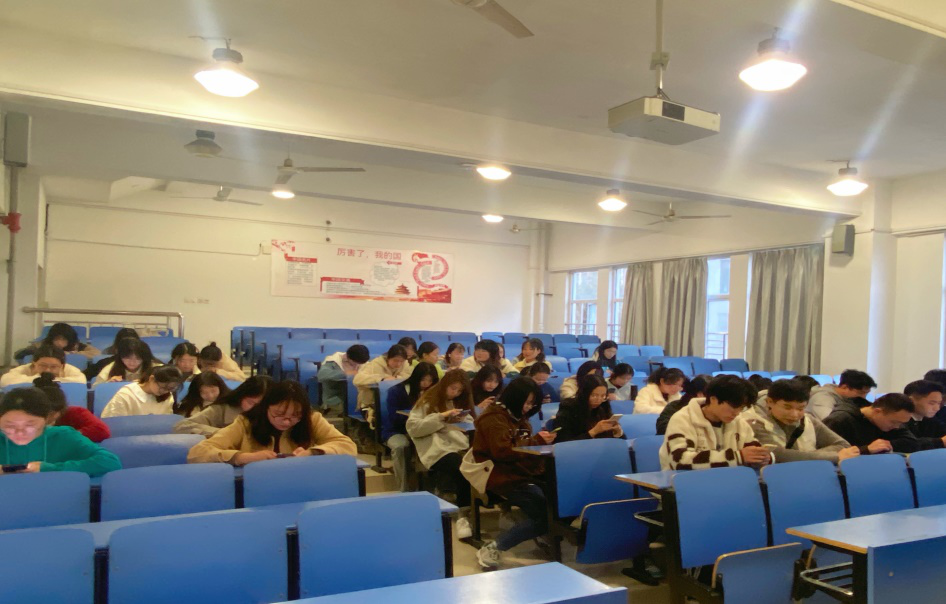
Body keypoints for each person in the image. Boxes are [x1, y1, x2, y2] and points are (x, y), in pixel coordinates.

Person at [472, 377, 556, 570]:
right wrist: (537, 441)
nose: (528, 407)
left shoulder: (519, 417)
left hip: (522, 472)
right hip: (500, 475)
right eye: (526, 402)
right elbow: (503, 451)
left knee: (560, 501)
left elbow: (525, 448)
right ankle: (495, 547)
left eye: (532, 404)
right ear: (515, 398)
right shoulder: (494, 418)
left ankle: (543, 533)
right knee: (545, 514)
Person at [187, 380, 356, 464]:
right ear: (266, 407)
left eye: (295, 415)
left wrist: (314, 452)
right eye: (279, 414)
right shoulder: (245, 423)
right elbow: (197, 453)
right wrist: (242, 457)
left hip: (301, 485)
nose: (287, 422)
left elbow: (347, 446)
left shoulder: (312, 419)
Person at [407, 370, 476, 538]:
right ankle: (463, 514)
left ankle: (482, 508)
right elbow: (413, 428)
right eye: (453, 388)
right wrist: (441, 417)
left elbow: (471, 423)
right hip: (436, 448)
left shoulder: (458, 401)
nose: (455, 393)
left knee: (480, 463)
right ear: (445, 384)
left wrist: (462, 420)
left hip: (458, 445)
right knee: (461, 468)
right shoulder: (427, 401)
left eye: (459, 390)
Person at [0, 387, 121, 477]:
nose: (20, 432)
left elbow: (110, 462)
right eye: (9, 426)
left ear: (47, 419)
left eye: (30, 425)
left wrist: (50, 468)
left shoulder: (64, 435)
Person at [660, 375, 771, 471]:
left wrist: (762, 458)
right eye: (733, 406)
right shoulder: (682, 419)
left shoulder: (738, 422)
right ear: (713, 399)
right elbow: (680, 461)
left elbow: (752, 449)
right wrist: (737, 457)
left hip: (727, 481)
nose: (737, 413)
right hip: (686, 483)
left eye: (741, 408)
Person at [743, 378, 859, 463]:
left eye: (800, 408)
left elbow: (842, 445)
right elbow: (777, 455)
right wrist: (835, 456)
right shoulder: (753, 422)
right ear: (770, 402)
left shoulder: (808, 420)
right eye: (787, 407)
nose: (794, 415)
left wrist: (802, 456)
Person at [384, 363, 440, 492]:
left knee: (439, 444)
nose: (426, 384)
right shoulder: (397, 391)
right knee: (401, 447)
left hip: (423, 430)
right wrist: (413, 418)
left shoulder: (433, 393)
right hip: (397, 430)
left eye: (430, 381)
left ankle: (434, 488)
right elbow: (393, 417)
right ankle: (403, 489)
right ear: (416, 378)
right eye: (423, 380)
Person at [174, 376, 271, 437]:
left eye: (263, 405)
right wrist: (223, 433)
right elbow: (182, 426)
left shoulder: (275, 414)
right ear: (242, 396)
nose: (256, 409)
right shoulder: (222, 409)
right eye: (250, 402)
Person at [823, 393, 915, 454]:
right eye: (894, 422)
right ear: (877, 411)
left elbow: (911, 442)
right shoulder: (840, 420)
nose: (897, 427)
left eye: (901, 423)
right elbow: (822, 453)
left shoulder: (889, 420)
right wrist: (866, 449)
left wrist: (885, 445)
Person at [32, 373, 110, 442]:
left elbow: (102, 431)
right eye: (40, 414)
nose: (47, 418)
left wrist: (66, 435)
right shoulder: (26, 417)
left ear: (61, 409)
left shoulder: (75, 412)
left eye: (52, 414)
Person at [554, 375, 624, 442]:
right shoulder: (569, 407)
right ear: (584, 394)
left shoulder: (603, 406)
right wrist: (594, 432)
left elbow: (622, 442)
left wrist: (617, 433)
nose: (599, 400)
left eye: (603, 396)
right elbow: (563, 441)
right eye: (594, 395)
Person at [100, 366, 184, 418]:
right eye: (162, 387)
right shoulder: (126, 395)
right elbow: (112, 422)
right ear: (151, 379)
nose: (165, 391)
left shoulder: (168, 396)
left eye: (170, 389)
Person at [353, 344, 413, 414]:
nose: (398, 364)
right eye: (395, 360)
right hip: (370, 405)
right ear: (388, 358)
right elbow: (357, 380)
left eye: (401, 361)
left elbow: (407, 375)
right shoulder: (376, 364)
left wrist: (395, 378)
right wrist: (381, 379)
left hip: (392, 404)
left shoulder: (405, 364)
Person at [317, 344, 370, 415]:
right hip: (336, 400)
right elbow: (321, 375)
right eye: (355, 363)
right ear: (348, 357)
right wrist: (346, 374)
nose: (357, 365)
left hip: (359, 399)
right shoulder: (332, 362)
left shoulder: (362, 362)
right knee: (357, 410)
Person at [1, 345, 86, 387]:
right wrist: (38, 379)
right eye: (43, 366)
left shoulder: (69, 369)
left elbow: (81, 381)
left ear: (62, 366)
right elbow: (5, 380)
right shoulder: (24, 369)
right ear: (34, 363)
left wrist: (48, 380)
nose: (47, 370)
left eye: (53, 367)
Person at [808, 369, 877, 420]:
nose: (864, 397)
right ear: (845, 387)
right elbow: (832, 424)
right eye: (860, 393)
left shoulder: (847, 399)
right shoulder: (822, 399)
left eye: (866, 393)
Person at [902, 380, 946, 449]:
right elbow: (905, 443)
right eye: (932, 403)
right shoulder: (898, 420)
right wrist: (941, 442)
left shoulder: (930, 420)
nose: (937, 408)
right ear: (911, 400)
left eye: (939, 403)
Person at [35, 323, 100, 359]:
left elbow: (96, 353)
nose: (59, 342)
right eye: (56, 339)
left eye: (63, 339)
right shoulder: (43, 344)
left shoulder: (78, 345)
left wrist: (72, 354)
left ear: (69, 338)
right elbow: (30, 352)